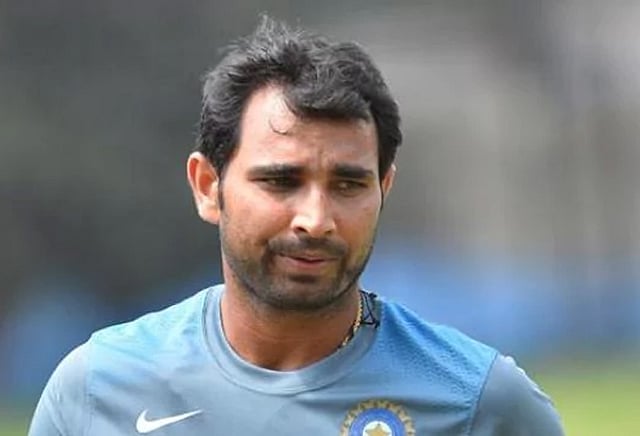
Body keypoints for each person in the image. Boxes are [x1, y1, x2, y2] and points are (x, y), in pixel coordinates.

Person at [29, 16, 564, 435]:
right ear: (208, 186)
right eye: (281, 181)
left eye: (348, 184)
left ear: (384, 189)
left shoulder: (478, 403)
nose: (316, 219)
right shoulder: (96, 390)